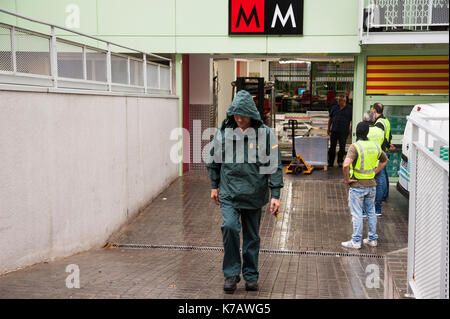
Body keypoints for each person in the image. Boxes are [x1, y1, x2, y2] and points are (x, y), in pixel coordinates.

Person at [206, 90, 284, 293]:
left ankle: (251, 275)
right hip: (229, 192)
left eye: (243, 114)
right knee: (230, 227)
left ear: (252, 113)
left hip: (254, 193)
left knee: (252, 236)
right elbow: (213, 160)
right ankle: (231, 274)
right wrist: (214, 185)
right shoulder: (223, 133)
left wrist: (275, 194)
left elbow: (273, 165)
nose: (239, 118)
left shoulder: (265, 134)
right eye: (236, 114)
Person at [341, 121, 388, 249]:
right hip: (372, 185)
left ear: (356, 132)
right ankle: (372, 239)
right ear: (368, 132)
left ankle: (356, 241)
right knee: (371, 212)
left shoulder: (355, 147)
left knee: (357, 214)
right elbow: (385, 160)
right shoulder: (375, 146)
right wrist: (374, 171)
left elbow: (345, 165)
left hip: (357, 186)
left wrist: (346, 179)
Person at [372, 103, 396, 215]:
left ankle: (380, 201)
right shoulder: (386, 120)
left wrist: (382, 148)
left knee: (380, 177)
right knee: (384, 175)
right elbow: (389, 135)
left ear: (374, 110)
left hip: (381, 151)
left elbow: (380, 137)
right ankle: (385, 195)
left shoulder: (379, 123)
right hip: (385, 149)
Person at [365, 109, 387, 217]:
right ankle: (378, 209)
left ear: (365, 119)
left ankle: (365, 211)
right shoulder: (380, 131)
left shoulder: (365, 131)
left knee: (365, 185)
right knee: (379, 184)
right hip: (377, 161)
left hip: (366, 162)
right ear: (374, 119)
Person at [327, 95, 353, 167]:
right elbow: (330, 119)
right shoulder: (334, 108)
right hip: (334, 130)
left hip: (344, 131)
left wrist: (351, 131)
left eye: (340, 100)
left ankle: (340, 161)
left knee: (342, 147)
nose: (339, 102)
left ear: (344, 101)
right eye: (338, 100)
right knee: (332, 147)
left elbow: (352, 121)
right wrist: (328, 129)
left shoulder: (349, 109)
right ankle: (330, 162)